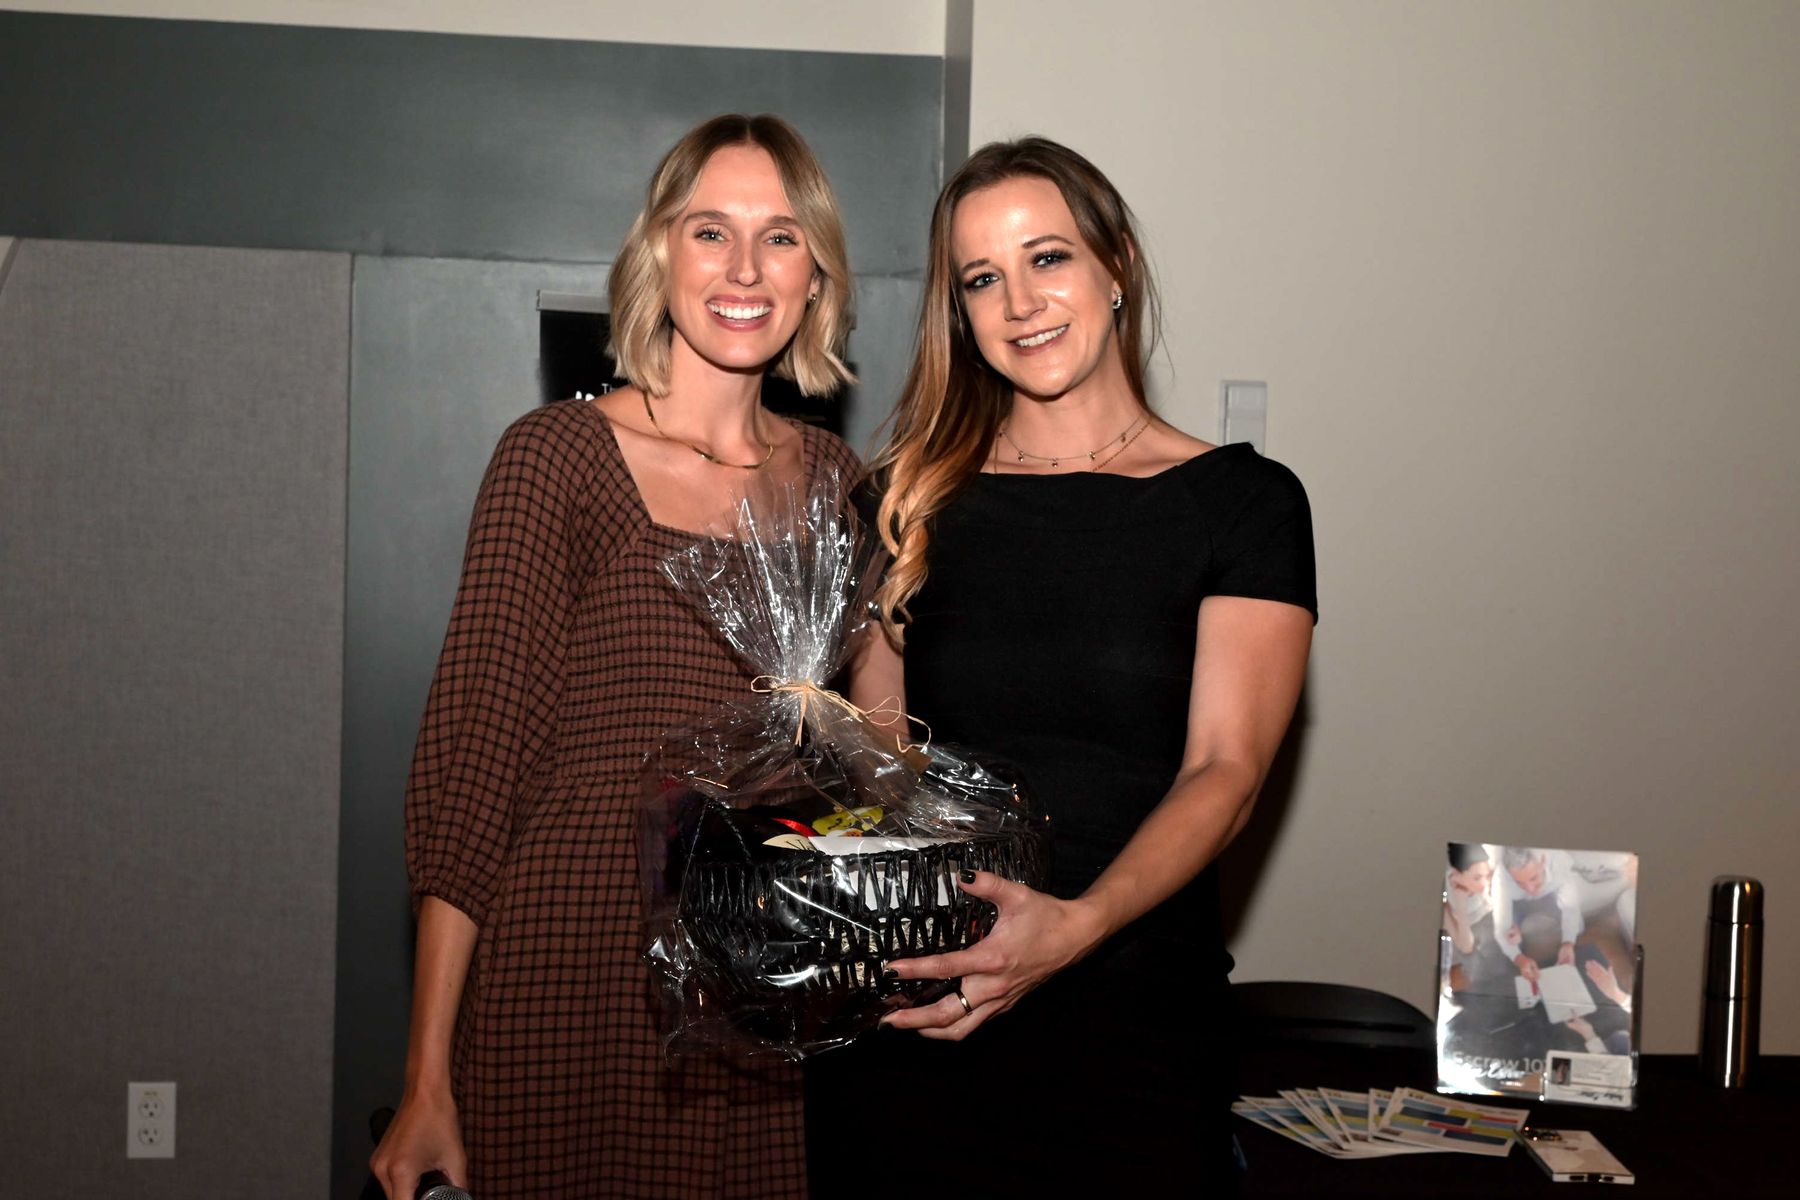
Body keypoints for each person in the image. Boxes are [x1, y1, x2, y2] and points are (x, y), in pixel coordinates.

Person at [808, 137, 1316, 1193]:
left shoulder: (1244, 506)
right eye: (981, 278)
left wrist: (1076, 928)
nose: (1021, 303)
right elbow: (883, 761)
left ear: (1115, 262)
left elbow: (1225, 770)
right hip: (929, 1013)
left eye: (1048, 258)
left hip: (1131, 1021)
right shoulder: (901, 502)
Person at [371, 113, 862, 1200]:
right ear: (660, 255)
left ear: (817, 275)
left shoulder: (840, 485)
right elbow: (472, 777)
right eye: (711, 231)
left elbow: (862, 760)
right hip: (566, 970)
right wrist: (425, 1078)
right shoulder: (557, 458)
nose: (745, 268)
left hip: (752, 992)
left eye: (781, 236)